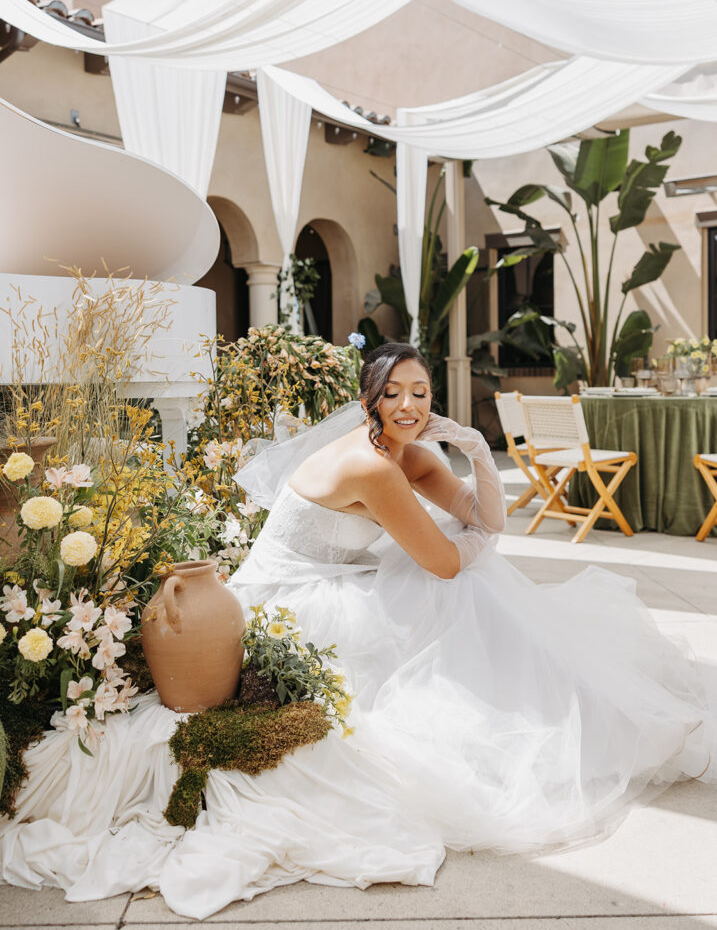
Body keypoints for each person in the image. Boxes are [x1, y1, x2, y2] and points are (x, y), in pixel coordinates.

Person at [1, 343, 714, 920]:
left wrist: (471, 447)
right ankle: (521, 703)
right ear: (368, 397)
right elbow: (445, 560)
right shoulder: (370, 463)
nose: (408, 407)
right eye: (394, 393)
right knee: (465, 584)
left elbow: (484, 520)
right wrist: (474, 542)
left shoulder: (413, 449)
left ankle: (533, 697)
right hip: (287, 600)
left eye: (422, 395)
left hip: (341, 579)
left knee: (474, 580)